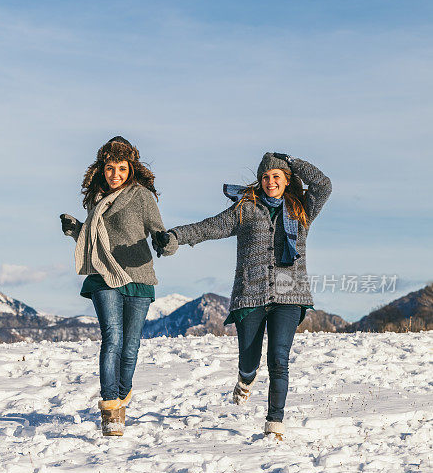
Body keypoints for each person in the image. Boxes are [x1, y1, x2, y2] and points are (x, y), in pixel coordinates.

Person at [153, 152, 332, 441]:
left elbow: (323, 185)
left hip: (289, 291)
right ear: (259, 181)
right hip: (251, 293)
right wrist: (175, 236)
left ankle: (275, 423)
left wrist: (292, 161)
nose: (270, 181)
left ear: (287, 180)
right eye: (265, 177)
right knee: (249, 360)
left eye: (276, 176)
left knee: (279, 359)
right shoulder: (246, 209)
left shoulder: (301, 210)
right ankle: (245, 379)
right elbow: (208, 227)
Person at [60, 136, 176, 436]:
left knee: (130, 345)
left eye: (121, 169)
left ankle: (123, 394)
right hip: (103, 274)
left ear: (131, 168)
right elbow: (94, 240)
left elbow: (161, 234)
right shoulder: (96, 199)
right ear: (102, 169)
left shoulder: (142, 196)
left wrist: (166, 243)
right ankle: (111, 407)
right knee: (112, 337)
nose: (115, 175)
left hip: (137, 275)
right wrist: (76, 230)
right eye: (110, 168)